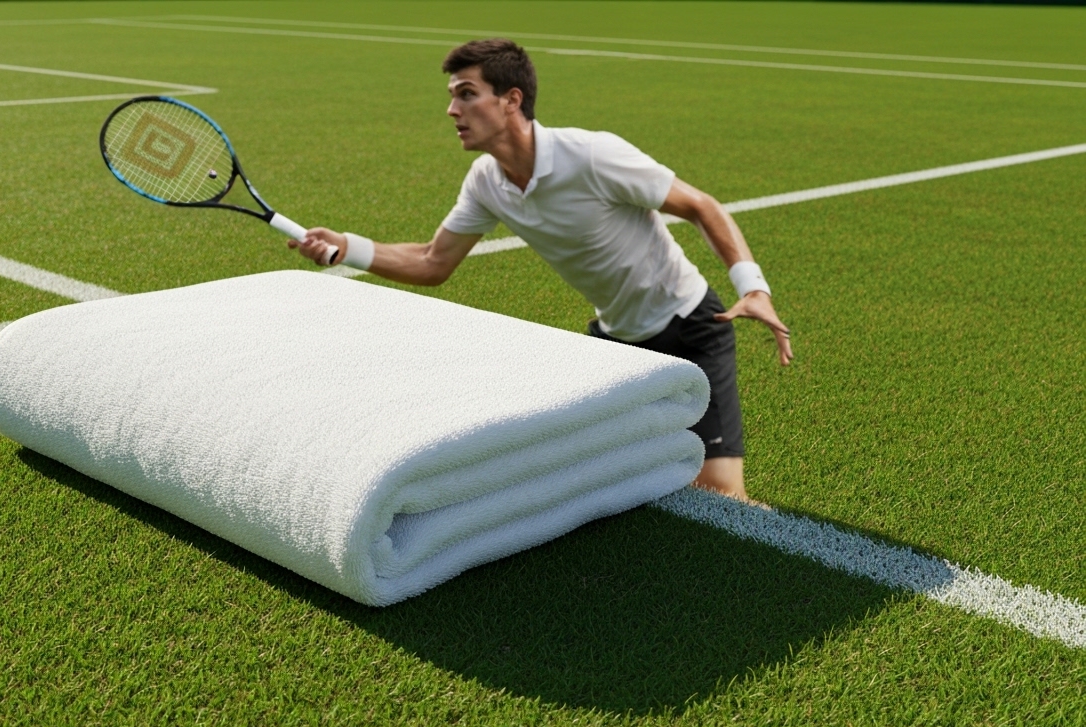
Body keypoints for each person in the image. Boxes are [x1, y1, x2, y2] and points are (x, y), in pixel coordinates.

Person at [289, 38, 792, 500]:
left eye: (467, 94)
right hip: (615, 342)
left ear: (511, 99)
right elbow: (432, 261)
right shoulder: (487, 180)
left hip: (691, 328)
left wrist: (753, 286)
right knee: (610, 484)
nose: (452, 109)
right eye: (452, 95)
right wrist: (348, 246)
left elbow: (701, 205)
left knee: (719, 493)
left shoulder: (592, 155)